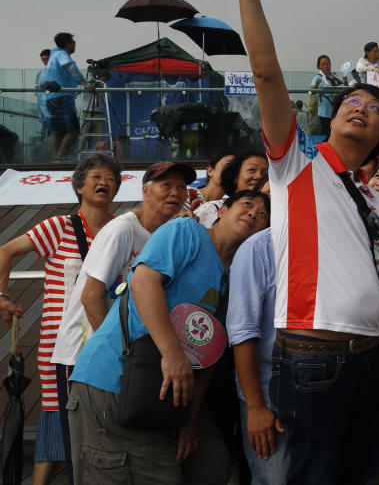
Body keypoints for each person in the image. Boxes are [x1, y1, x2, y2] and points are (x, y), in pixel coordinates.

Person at [238, 0, 379, 484]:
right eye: (352, 102)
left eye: (373, 109)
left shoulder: (372, 197)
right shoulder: (296, 163)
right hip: (312, 360)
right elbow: (267, 74)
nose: (359, 108)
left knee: (365, 476)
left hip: (371, 361)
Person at [67, 191, 269, 483]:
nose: (254, 213)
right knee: (157, 473)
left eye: (263, 214)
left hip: (167, 394)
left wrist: (190, 419)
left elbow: (209, 355)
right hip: (114, 380)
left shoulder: (236, 277)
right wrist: (173, 355)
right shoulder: (186, 231)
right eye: (247, 205)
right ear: (222, 210)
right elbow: (144, 282)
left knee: (212, 463)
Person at [52, 160, 195, 470]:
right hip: (84, 353)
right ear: (145, 190)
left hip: (121, 357)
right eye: (165, 185)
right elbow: (92, 297)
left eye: (181, 187)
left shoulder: (167, 236)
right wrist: (117, 352)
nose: (175, 192)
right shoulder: (122, 229)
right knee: (87, 453)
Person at [0, 155, 120, 485]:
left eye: (111, 178)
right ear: (79, 186)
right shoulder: (58, 227)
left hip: (103, 343)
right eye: (97, 176)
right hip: (58, 347)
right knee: (57, 416)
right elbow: (6, 251)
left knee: (95, 417)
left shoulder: (120, 229)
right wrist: (3, 298)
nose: (105, 182)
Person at [227, 227, 289, 484]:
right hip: (268, 396)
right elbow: (242, 333)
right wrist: (255, 407)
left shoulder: (332, 241)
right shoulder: (258, 248)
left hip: (322, 397)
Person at [38, 32, 92, 159]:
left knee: (56, 131)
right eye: (73, 42)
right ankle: (60, 158)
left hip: (51, 98)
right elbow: (68, 66)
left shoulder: (54, 55)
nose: (74, 44)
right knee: (73, 130)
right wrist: (84, 83)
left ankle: (55, 160)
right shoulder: (62, 54)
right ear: (68, 43)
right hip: (61, 98)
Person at [194, 150, 268, 227]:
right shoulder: (211, 209)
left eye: (265, 173)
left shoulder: (271, 215)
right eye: (251, 170)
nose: (259, 176)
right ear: (235, 176)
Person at [307, 54, 342, 140]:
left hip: (336, 113)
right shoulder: (317, 77)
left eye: (328, 63)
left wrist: (344, 82)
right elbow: (312, 91)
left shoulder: (336, 77)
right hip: (325, 114)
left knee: (336, 136)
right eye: (323, 64)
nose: (326, 66)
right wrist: (316, 84)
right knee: (326, 136)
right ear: (319, 66)